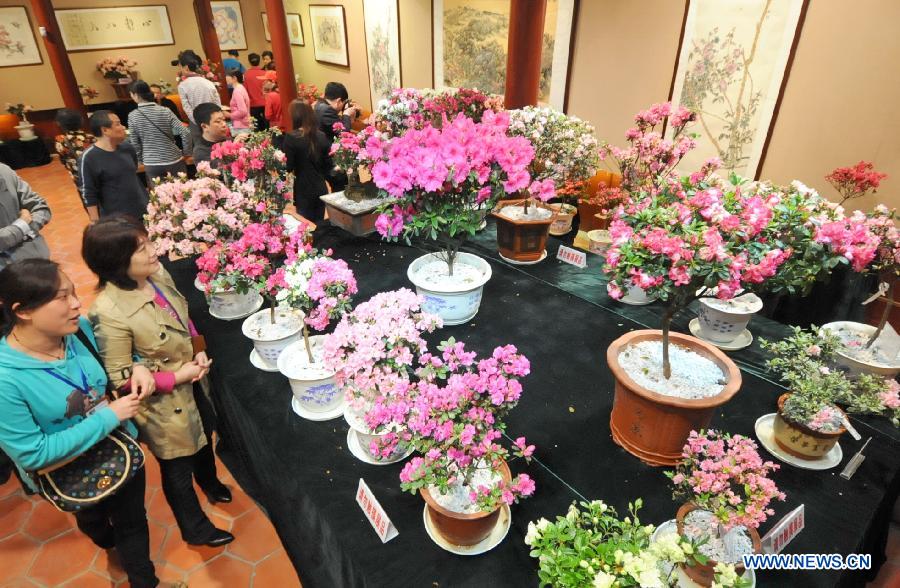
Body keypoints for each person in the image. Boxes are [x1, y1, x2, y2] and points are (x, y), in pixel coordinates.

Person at [0, 258, 160, 587]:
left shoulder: (79, 330)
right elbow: (32, 455)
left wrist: (138, 365)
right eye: (62, 297)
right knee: (94, 522)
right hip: (69, 474)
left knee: (132, 522)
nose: (76, 304)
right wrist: (109, 416)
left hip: (121, 447)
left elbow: (120, 354)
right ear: (23, 310)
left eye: (74, 293)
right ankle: (105, 539)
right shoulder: (6, 380)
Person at [83, 216, 235, 549]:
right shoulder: (108, 311)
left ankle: (209, 482)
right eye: (143, 248)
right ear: (116, 262)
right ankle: (194, 527)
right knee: (176, 465)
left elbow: (182, 318)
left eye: (149, 241)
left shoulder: (155, 274)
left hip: (192, 379)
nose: (154, 251)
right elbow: (121, 378)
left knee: (205, 433)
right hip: (163, 403)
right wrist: (177, 376)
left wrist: (198, 350)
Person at [78, 111, 148, 221]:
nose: (123, 127)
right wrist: (96, 222)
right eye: (118, 124)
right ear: (105, 130)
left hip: (142, 210)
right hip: (116, 218)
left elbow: (133, 170)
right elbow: (88, 193)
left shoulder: (127, 147)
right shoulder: (88, 157)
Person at [127, 80, 192, 183]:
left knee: (159, 196)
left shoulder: (132, 116)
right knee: (182, 193)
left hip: (151, 163)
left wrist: (140, 160)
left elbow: (135, 143)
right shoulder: (165, 111)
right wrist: (187, 153)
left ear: (135, 95)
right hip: (174, 159)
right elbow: (185, 132)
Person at [282, 100, 332, 223]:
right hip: (320, 186)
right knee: (319, 223)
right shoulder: (321, 136)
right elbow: (328, 165)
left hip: (303, 189)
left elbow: (288, 167)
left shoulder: (291, 138)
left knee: (305, 226)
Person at [0, 163, 50, 270]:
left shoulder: (3, 170)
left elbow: (41, 207)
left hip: (37, 262)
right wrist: (22, 225)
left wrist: (27, 229)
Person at [175, 51, 220, 142]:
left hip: (196, 124)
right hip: (212, 121)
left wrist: (197, 121)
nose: (180, 70)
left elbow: (186, 107)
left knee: (201, 148)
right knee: (216, 147)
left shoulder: (183, 86)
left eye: (181, 67)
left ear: (186, 68)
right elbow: (217, 104)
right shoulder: (209, 83)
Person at [53, 109, 95, 186]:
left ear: (59, 124)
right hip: (96, 176)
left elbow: (63, 161)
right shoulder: (92, 138)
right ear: (81, 121)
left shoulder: (60, 140)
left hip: (79, 178)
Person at [244, 53, 267, 131]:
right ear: (259, 61)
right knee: (267, 124)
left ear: (249, 62)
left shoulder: (246, 74)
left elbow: (245, 90)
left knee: (256, 126)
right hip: (266, 103)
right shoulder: (265, 73)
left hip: (253, 104)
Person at [224, 70, 251, 135]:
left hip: (241, 124)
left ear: (234, 78)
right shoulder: (240, 88)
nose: (226, 78)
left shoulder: (237, 91)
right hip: (244, 123)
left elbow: (242, 111)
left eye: (227, 76)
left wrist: (229, 115)